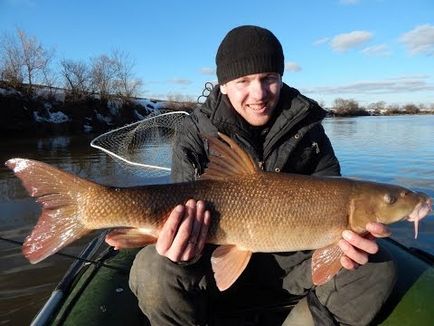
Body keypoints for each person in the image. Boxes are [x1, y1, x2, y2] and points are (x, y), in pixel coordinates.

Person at [107, 25, 395, 325]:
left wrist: (347, 243)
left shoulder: (309, 130)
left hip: (292, 266)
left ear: (281, 79)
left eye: (269, 79)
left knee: (376, 266)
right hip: (209, 264)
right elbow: (181, 207)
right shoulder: (193, 133)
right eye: (243, 80)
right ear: (223, 85)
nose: (258, 93)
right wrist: (181, 249)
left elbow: (333, 198)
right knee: (153, 267)